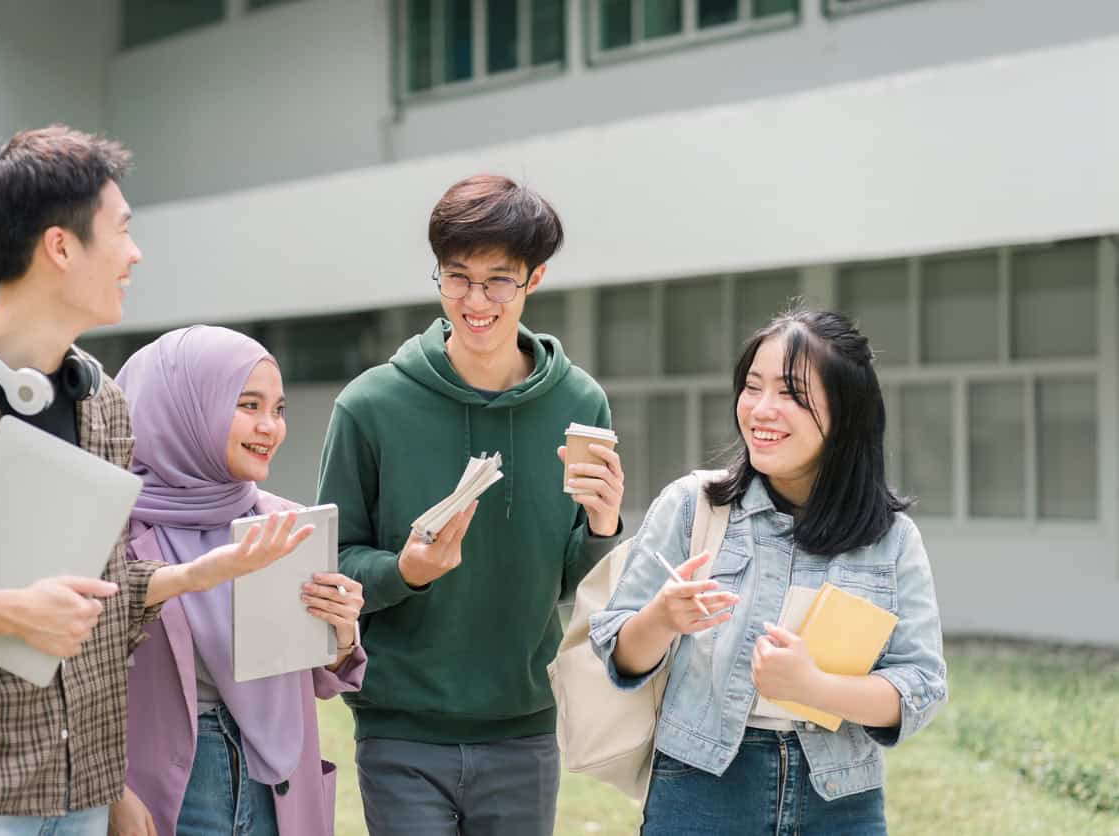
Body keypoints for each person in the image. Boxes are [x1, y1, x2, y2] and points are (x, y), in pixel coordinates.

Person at [0, 126, 311, 834]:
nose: (134, 255)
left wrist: (109, 787)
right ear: (60, 247)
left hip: (78, 801)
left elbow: (96, 606)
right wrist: (6, 611)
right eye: (122, 232)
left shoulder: (102, 407)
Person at [316, 174, 626, 835]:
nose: (475, 300)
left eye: (498, 281)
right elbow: (331, 567)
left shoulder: (580, 404)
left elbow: (576, 581)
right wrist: (406, 572)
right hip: (400, 729)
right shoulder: (370, 406)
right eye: (456, 278)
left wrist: (604, 527)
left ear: (534, 279)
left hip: (523, 729)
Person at [591, 308, 947, 835]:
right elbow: (616, 648)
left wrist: (814, 686)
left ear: (846, 413)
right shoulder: (692, 506)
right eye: (752, 387)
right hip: (701, 790)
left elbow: (919, 686)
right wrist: (662, 618)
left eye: (790, 393)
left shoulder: (890, 538)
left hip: (839, 801)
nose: (761, 409)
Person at [107, 325, 367, 836]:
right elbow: (71, 678)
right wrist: (112, 790)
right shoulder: (113, 528)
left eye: (278, 408)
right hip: (166, 791)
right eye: (248, 405)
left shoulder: (285, 522)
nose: (270, 426)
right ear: (182, 409)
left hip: (279, 787)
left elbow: (320, 676)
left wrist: (338, 633)